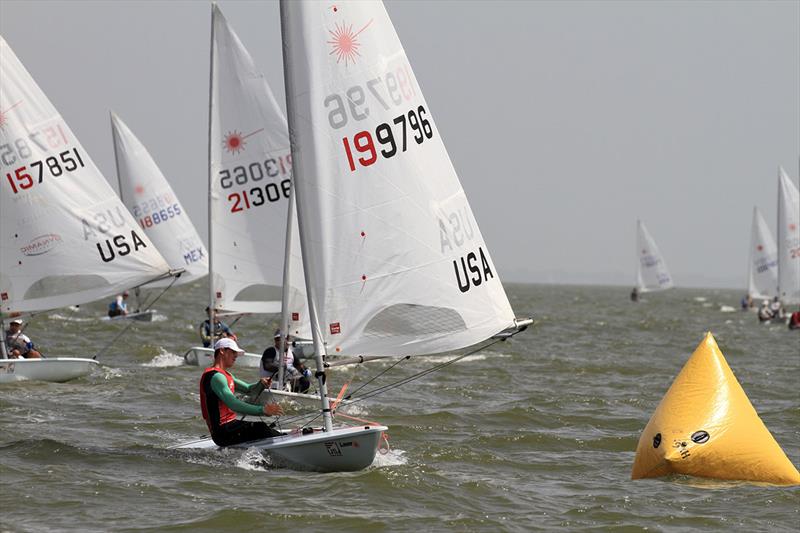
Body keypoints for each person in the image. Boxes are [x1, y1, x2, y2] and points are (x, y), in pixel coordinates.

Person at [199, 338, 283, 446]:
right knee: (260, 427)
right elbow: (233, 404)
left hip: (230, 427)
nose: (236, 356)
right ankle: (285, 440)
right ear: (222, 351)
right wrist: (263, 410)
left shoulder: (225, 375)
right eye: (233, 352)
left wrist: (260, 384)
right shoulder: (215, 377)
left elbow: (249, 390)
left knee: (261, 427)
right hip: (222, 433)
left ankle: (283, 437)